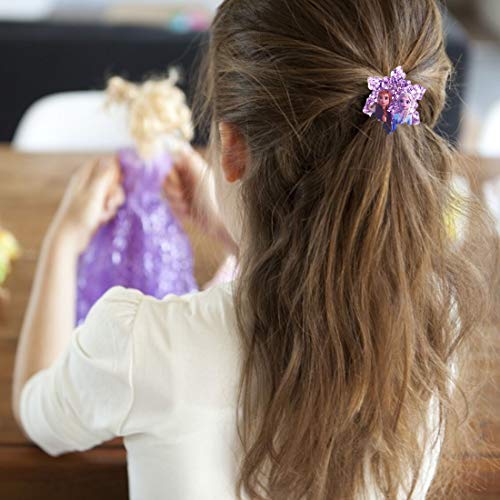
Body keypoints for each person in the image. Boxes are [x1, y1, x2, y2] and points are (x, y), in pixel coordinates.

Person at [11, 1, 496, 499]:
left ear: (232, 147)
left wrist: (63, 240)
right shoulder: (438, 319)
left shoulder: (142, 343)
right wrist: (238, 235)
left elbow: (38, 413)